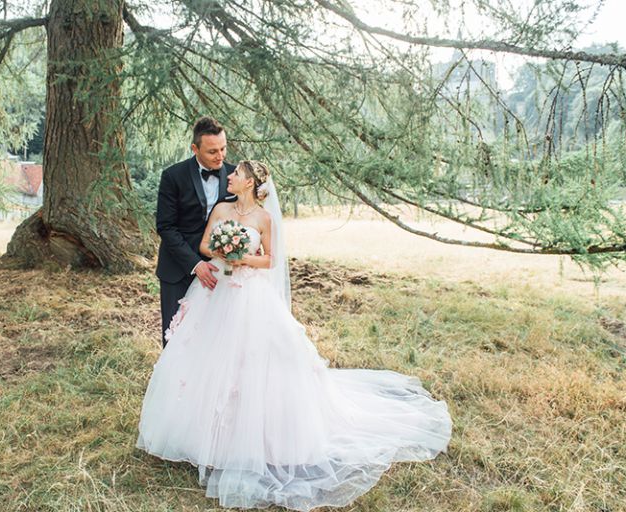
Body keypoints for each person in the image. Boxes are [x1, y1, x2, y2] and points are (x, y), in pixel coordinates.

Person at [137, 160, 452, 511]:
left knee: (260, 361)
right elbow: (206, 245)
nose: (229, 176)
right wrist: (222, 251)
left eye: (236, 174)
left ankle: (254, 438)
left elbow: (270, 259)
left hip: (250, 295)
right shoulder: (222, 208)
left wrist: (243, 257)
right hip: (217, 291)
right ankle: (202, 437)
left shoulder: (264, 219)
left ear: (250, 182)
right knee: (208, 358)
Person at [155, 116, 237, 347]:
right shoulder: (173, 176)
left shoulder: (235, 176)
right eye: (212, 151)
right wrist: (195, 263)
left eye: (223, 148)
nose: (220, 156)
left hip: (220, 271)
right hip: (177, 270)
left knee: (215, 338)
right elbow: (166, 227)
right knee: (175, 337)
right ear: (195, 148)